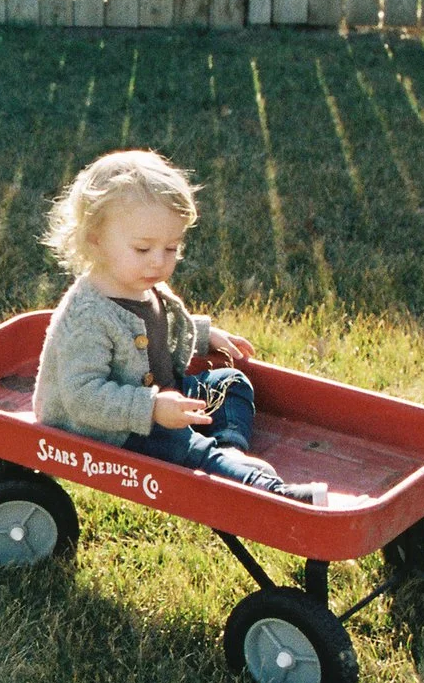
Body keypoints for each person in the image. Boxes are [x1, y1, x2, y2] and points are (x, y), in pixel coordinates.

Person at [33, 151, 326, 505]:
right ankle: (271, 492)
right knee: (188, 449)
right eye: (143, 248)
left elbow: (164, 326)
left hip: (161, 394)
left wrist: (203, 335)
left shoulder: (139, 280)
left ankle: (229, 447)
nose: (159, 260)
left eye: (171, 247)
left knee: (230, 383)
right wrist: (152, 408)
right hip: (112, 427)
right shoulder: (87, 315)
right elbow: (82, 397)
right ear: (95, 239)